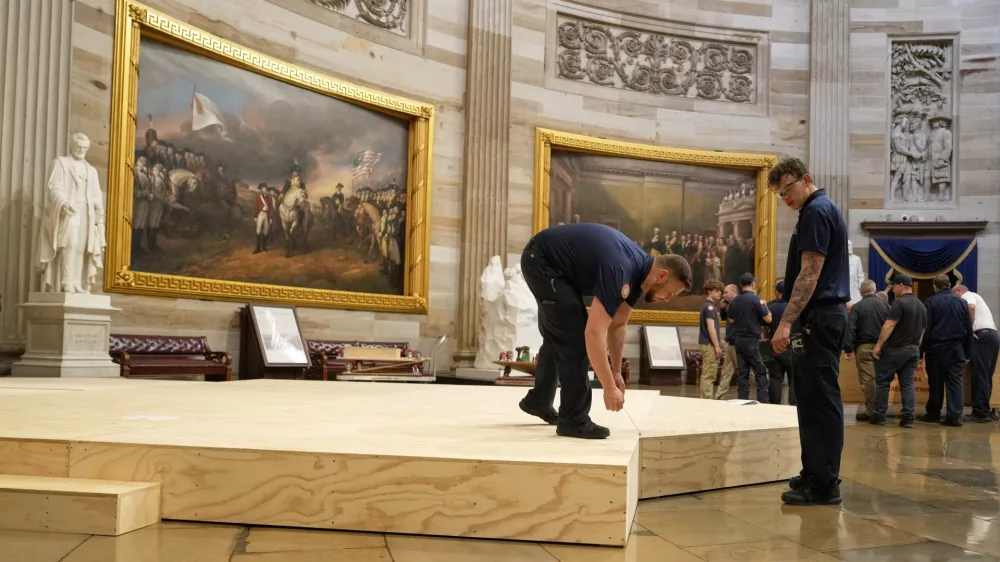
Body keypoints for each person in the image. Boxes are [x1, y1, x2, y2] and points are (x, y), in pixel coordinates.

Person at [518, 223, 693, 439]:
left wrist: (616, 371)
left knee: (560, 335)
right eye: (670, 293)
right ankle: (574, 420)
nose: (666, 299)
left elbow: (618, 324)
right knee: (574, 337)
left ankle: (538, 402)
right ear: (662, 275)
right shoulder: (621, 270)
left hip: (550, 261)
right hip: (542, 261)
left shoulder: (638, 275)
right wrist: (609, 387)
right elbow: (593, 333)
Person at [767, 157, 850, 506]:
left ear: (806, 179)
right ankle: (814, 470)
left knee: (819, 400)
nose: (785, 199)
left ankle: (824, 483)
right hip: (814, 319)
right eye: (779, 195)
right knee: (809, 397)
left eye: (787, 190)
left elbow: (810, 272)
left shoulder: (817, 210)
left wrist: (785, 321)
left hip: (819, 318)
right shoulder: (812, 210)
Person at [870, 274, 927, 428]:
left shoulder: (899, 303)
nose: (893, 289)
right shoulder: (922, 305)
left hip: (895, 351)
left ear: (901, 286)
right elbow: (922, 331)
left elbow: (889, 325)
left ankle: (879, 415)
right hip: (913, 351)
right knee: (907, 384)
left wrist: (878, 346)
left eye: (894, 286)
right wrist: (916, 346)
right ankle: (908, 418)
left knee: (882, 382)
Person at [920, 274, 972, 426]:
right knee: (955, 382)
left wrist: (921, 350)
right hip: (957, 349)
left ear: (934, 286)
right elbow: (968, 328)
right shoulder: (962, 302)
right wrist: (968, 351)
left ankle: (934, 413)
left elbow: (927, 329)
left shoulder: (930, 302)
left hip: (937, 349)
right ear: (949, 285)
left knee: (936, 382)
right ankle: (954, 416)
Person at [843, 279, 891, 421]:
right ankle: (881, 410)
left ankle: (872, 411)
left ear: (861, 292)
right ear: (875, 291)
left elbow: (850, 329)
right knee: (882, 380)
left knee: (868, 380)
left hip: (863, 348)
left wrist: (848, 349)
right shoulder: (886, 306)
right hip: (883, 347)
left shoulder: (856, 308)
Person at [952, 284, 999, 422]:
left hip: (982, 337)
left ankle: (981, 413)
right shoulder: (977, 297)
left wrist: (969, 329)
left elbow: (970, 307)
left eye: (954, 294)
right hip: (991, 337)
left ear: (959, 291)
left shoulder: (967, 295)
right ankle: (983, 409)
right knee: (985, 375)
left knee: (979, 375)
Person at [727, 273, 772, 402]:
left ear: (741, 285)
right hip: (753, 340)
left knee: (742, 373)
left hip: (739, 340)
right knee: (760, 372)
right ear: (753, 284)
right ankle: (763, 402)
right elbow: (769, 319)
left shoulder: (735, 300)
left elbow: (731, 319)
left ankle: (742, 400)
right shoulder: (757, 300)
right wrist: (764, 306)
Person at [764, 279, 795, 405]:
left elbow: (765, 327)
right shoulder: (794, 306)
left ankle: (774, 403)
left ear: (776, 291)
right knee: (794, 378)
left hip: (774, 345)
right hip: (792, 346)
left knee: (775, 377)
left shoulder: (770, 305)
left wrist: (767, 340)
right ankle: (793, 405)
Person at [698, 280, 726, 400]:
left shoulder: (711, 306)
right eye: (716, 290)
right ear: (709, 291)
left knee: (708, 373)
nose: (719, 293)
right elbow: (711, 328)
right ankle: (706, 400)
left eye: (720, 290)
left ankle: (705, 399)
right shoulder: (709, 307)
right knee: (709, 374)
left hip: (708, 344)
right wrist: (717, 346)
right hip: (709, 344)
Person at [715, 284, 740, 399]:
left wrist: (726, 339)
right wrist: (723, 308)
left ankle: (743, 396)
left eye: (726, 292)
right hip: (731, 343)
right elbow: (725, 319)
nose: (724, 295)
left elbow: (737, 326)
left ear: (734, 291)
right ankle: (719, 396)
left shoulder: (739, 303)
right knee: (726, 370)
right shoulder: (731, 304)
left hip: (738, 343)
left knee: (742, 371)